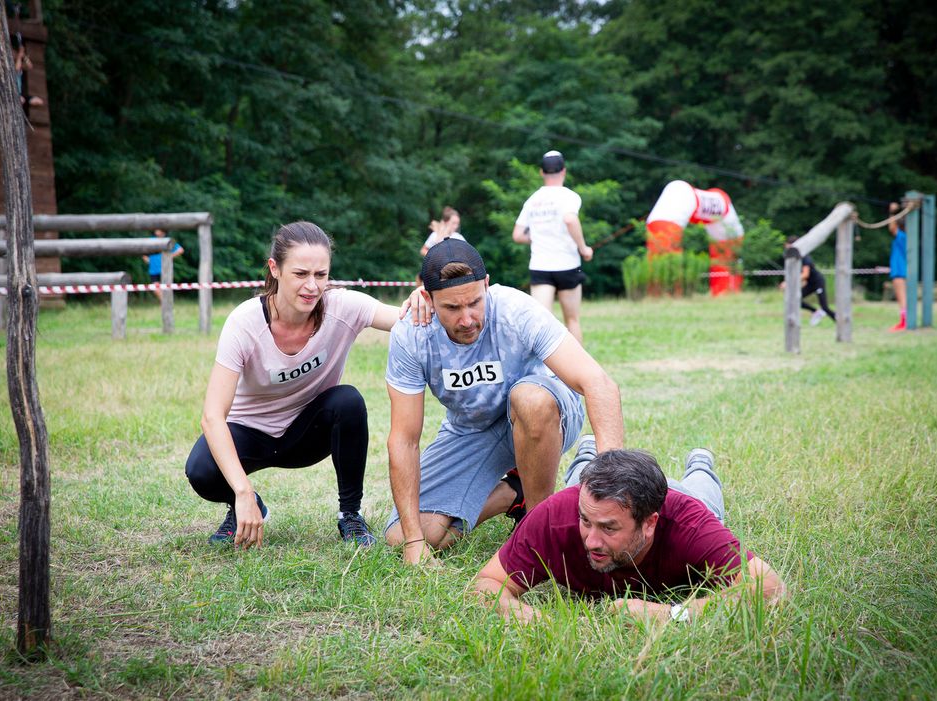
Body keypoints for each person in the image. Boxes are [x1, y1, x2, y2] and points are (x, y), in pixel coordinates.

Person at [185, 221, 426, 549]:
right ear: (275, 269)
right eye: (300, 274)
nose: (312, 286)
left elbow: (407, 323)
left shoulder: (343, 307)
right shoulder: (244, 323)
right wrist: (242, 492)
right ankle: (248, 506)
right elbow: (213, 416)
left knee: (348, 401)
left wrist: (423, 303)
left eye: (321, 275)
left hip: (306, 435)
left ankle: (350, 516)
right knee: (200, 469)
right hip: (250, 434)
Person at [384, 238, 623, 566]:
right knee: (402, 536)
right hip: (472, 429)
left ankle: (540, 530)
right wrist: (413, 541)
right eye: (452, 308)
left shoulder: (515, 309)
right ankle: (515, 493)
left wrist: (612, 481)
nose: (467, 319)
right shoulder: (411, 333)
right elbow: (404, 439)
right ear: (427, 297)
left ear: (486, 285)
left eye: (474, 303)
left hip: (542, 412)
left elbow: (598, 383)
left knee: (529, 399)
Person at [473, 448, 787, 624]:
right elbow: (485, 585)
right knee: (579, 477)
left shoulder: (688, 524)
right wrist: (543, 622)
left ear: (650, 524)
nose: (591, 541)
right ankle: (586, 453)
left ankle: (701, 461)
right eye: (585, 521)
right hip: (597, 494)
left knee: (703, 491)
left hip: (686, 498)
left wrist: (673, 614)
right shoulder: (556, 517)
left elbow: (770, 589)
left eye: (608, 528)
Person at [512, 150, 593, 343]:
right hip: (568, 265)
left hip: (540, 266)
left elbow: (517, 235)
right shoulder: (569, 196)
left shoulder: (533, 200)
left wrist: (540, 235)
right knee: (572, 320)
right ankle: (578, 370)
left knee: (542, 322)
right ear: (564, 171)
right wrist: (583, 248)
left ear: (541, 172)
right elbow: (570, 220)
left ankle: (545, 371)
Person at [779, 236, 836, 326]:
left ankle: (839, 321)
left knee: (824, 307)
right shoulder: (793, 259)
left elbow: (805, 274)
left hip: (818, 282)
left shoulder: (805, 257)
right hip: (809, 283)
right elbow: (803, 278)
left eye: (787, 246)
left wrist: (788, 282)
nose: (786, 248)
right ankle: (816, 312)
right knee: (796, 300)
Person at [142, 229, 184, 301]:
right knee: (155, 288)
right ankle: (165, 302)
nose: (156, 230)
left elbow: (180, 250)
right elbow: (143, 251)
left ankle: (166, 304)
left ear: (163, 231)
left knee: (166, 289)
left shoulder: (168, 241)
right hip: (153, 269)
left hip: (165, 268)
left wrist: (170, 256)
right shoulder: (151, 240)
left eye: (158, 229)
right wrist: (146, 259)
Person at [888, 202, 908, 332]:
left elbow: (892, 228)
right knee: (903, 298)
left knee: (902, 298)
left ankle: (904, 323)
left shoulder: (902, 237)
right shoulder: (908, 237)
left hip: (899, 270)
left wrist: (892, 213)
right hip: (902, 270)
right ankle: (904, 322)